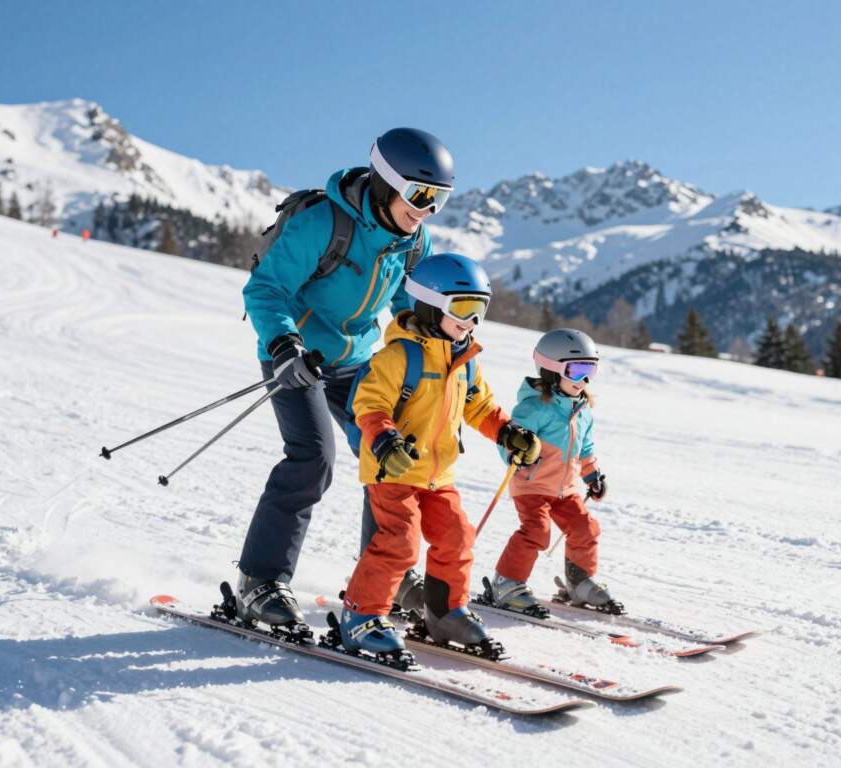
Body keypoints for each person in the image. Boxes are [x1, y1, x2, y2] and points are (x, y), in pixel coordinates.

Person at [236, 128, 455, 627]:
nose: (426, 210)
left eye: (438, 200)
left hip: (355, 360)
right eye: (420, 195)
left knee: (390, 456)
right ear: (386, 183)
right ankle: (260, 580)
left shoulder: (413, 240)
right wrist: (284, 344)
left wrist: (429, 354)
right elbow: (265, 289)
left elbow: (407, 309)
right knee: (313, 458)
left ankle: (387, 578)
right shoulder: (323, 223)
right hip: (294, 355)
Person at [337, 255, 541, 655]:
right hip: (393, 471)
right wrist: (384, 440)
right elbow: (370, 404)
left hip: (438, 474)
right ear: (430, 304)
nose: (471, 321)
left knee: (457, 537)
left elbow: (480, 407)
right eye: (462, 308)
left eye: (480, 310)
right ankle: (361, 616)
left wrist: (507, 433)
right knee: (400, 543)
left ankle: (446, 612)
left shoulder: (464, 359)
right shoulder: (397, 357)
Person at [487, 329, 616, 613]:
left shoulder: (582, 411)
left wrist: (592, 475)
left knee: (586, 528)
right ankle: (506, 583)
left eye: (590, 370)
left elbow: (584, 449)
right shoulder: (534, 407)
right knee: (537, 531)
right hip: (531, 486)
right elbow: (510, 439)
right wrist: (516, 454)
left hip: (565, 489)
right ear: (551, 370)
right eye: (577, 370)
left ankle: (580, 581)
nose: (584, 380)